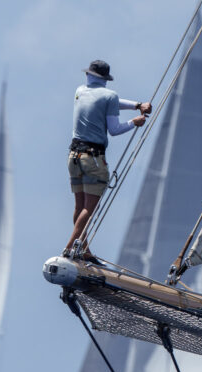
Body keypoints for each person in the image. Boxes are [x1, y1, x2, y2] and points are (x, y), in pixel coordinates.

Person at [65, 59, 152, 259]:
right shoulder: (110, 96)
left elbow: (108, 103)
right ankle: (70, 247)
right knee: (89, 208)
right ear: (106, 79)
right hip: (93, 159)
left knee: (79, 207)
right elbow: (114, 129)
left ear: (89, 75)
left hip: (74, 157)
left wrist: (137, 105)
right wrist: (134, 122)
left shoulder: (80, 91)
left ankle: (83, 250)